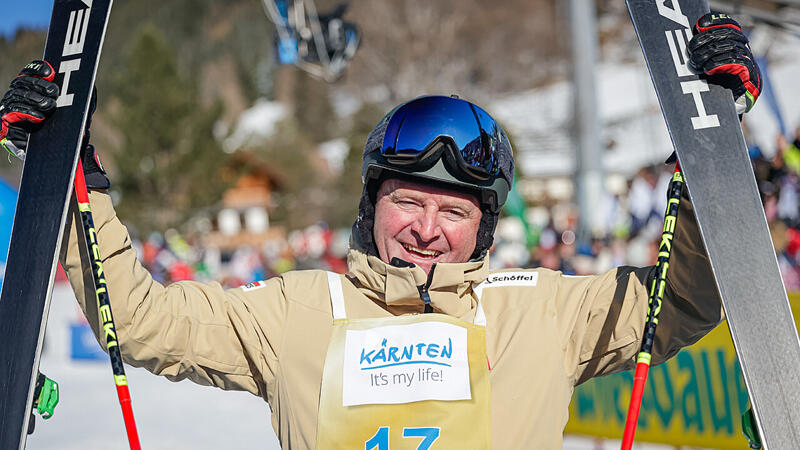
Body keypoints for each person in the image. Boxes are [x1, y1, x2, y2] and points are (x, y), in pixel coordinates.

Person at [0, 13, 761, 449]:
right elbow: (138, 322)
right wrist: (73, 188)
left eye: (455, 209)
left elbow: (684, 302)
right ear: (372, 205)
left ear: (484, 226)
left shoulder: (542, 312)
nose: (427, 229)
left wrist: (709, 153)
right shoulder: (296, 312)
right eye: (408, 200)